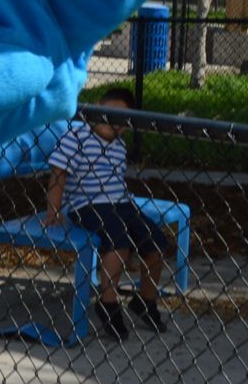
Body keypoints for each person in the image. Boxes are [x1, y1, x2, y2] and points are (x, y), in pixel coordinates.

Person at [45, 85, 168, 340]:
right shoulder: (76, 136)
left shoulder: (118, 145)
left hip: (122, 204)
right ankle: (108, 303)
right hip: (86, 205)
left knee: (156, 242)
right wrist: (54, 210)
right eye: (110, 115)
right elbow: (59, 173)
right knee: (118, 240)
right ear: (96, 108)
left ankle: (145, 300)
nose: (115, 124)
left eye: (123, 120)